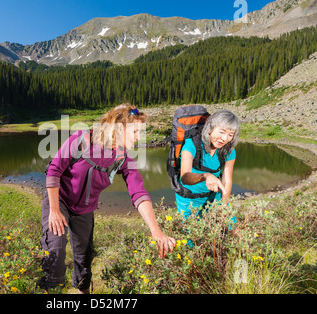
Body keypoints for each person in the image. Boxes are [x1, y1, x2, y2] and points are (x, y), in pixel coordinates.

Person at [38, 103, 176, 293]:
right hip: (58, 200)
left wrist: (156, 231)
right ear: (120, 128)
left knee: (84, 260)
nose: (139, 138)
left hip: (84, 210)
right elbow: (54, 171)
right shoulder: (81, 140)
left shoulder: (123, 158)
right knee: (55, 252)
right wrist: (54, 210)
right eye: (135, 132)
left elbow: (139, 193)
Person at [175, 110, 240, 220]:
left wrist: (223, 205)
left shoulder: (228, 150)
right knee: (191, 234)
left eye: (230, 135)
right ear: (210, 128)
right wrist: (205, 176)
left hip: (213, 196)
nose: (225, 139)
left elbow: (227, 180)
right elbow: (185, 177)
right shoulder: (191, 145)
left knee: (228, 225)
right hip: (189, 198)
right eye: (222, 132)